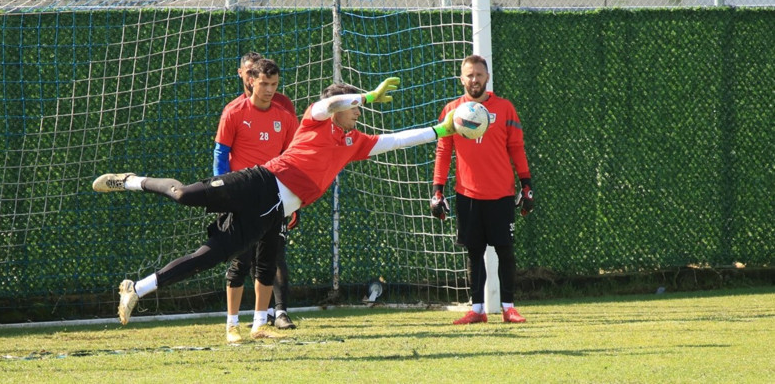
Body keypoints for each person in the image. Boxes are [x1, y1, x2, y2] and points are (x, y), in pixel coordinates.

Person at [92, 76, 457, 334]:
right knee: (185, 195)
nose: (358, 112)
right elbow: (329, 103)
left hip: (273, 212)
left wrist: (442, 130)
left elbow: (397, 140)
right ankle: (131, 181)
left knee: (210, 256)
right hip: (259, 183)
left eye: (358, 106)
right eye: (354, 106)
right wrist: (366, 96)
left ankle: (137, 288)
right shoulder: (316, 120)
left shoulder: (355, 142)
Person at [430, 54, 534, 325]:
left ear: (487, 77)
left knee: (505, 251)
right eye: (469, 75)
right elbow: (443, 151)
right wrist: (437, 189)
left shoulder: (505, 108)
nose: (474, 79)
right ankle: (477, 309)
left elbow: (516, 148)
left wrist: (527, 184)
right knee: (474, 253)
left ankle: (509, 308)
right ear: (461, 79)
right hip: (467, 194)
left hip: (501, 194)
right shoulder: (452, 111)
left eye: (479, 74)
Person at [213, 56, 299, 342]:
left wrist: (294, 198)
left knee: (268, 262)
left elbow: (292, 159)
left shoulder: (284, 118)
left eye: (274, 84)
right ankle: (232, 326)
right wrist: (222, 191)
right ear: (251, 81)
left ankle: (261, 324)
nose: (269, 90)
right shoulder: (234, 112)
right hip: (240, 198)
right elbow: (221, 154)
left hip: (273, 198)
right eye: (264, 84)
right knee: (240, 262)